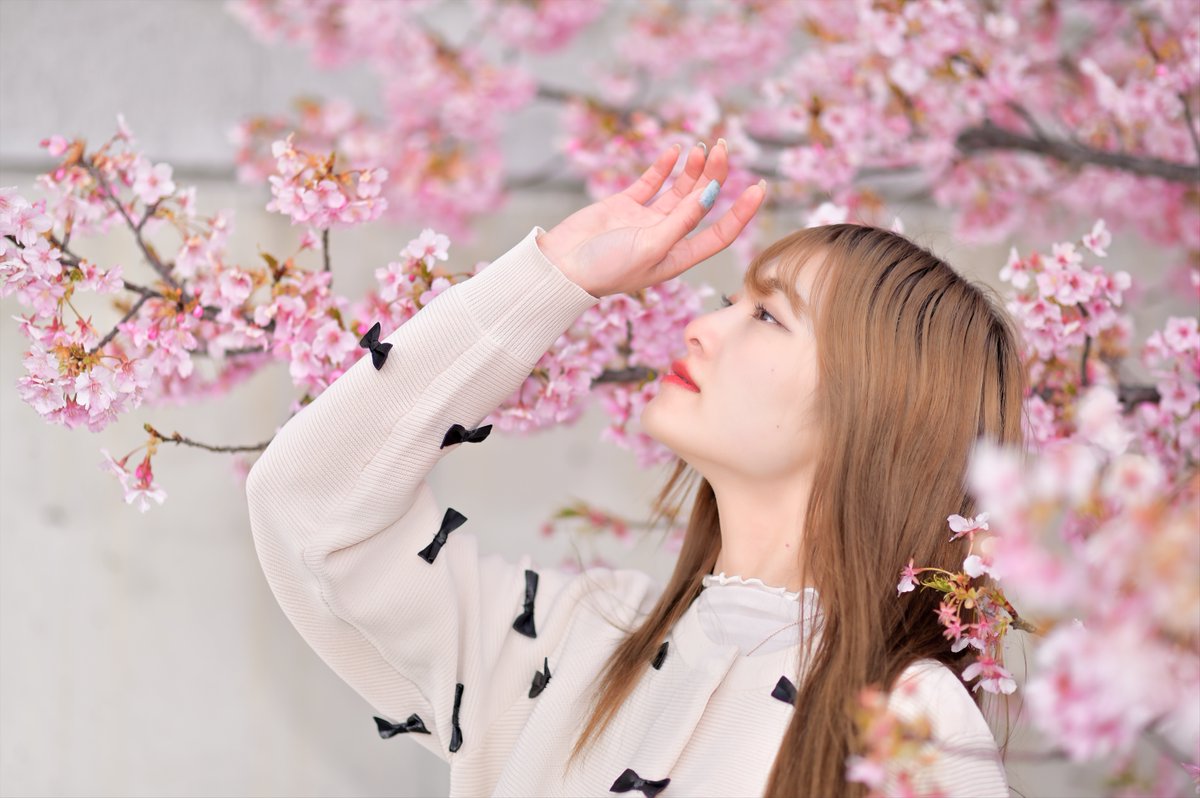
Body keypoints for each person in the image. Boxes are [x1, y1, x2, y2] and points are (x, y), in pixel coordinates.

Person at [245, 138, 1018, 797]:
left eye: (766, 316)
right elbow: (309, 504)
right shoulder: (563, 642)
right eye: (729, 299)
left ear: (874, 410)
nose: (698, 328)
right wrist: (551, 278)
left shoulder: (908, 723)